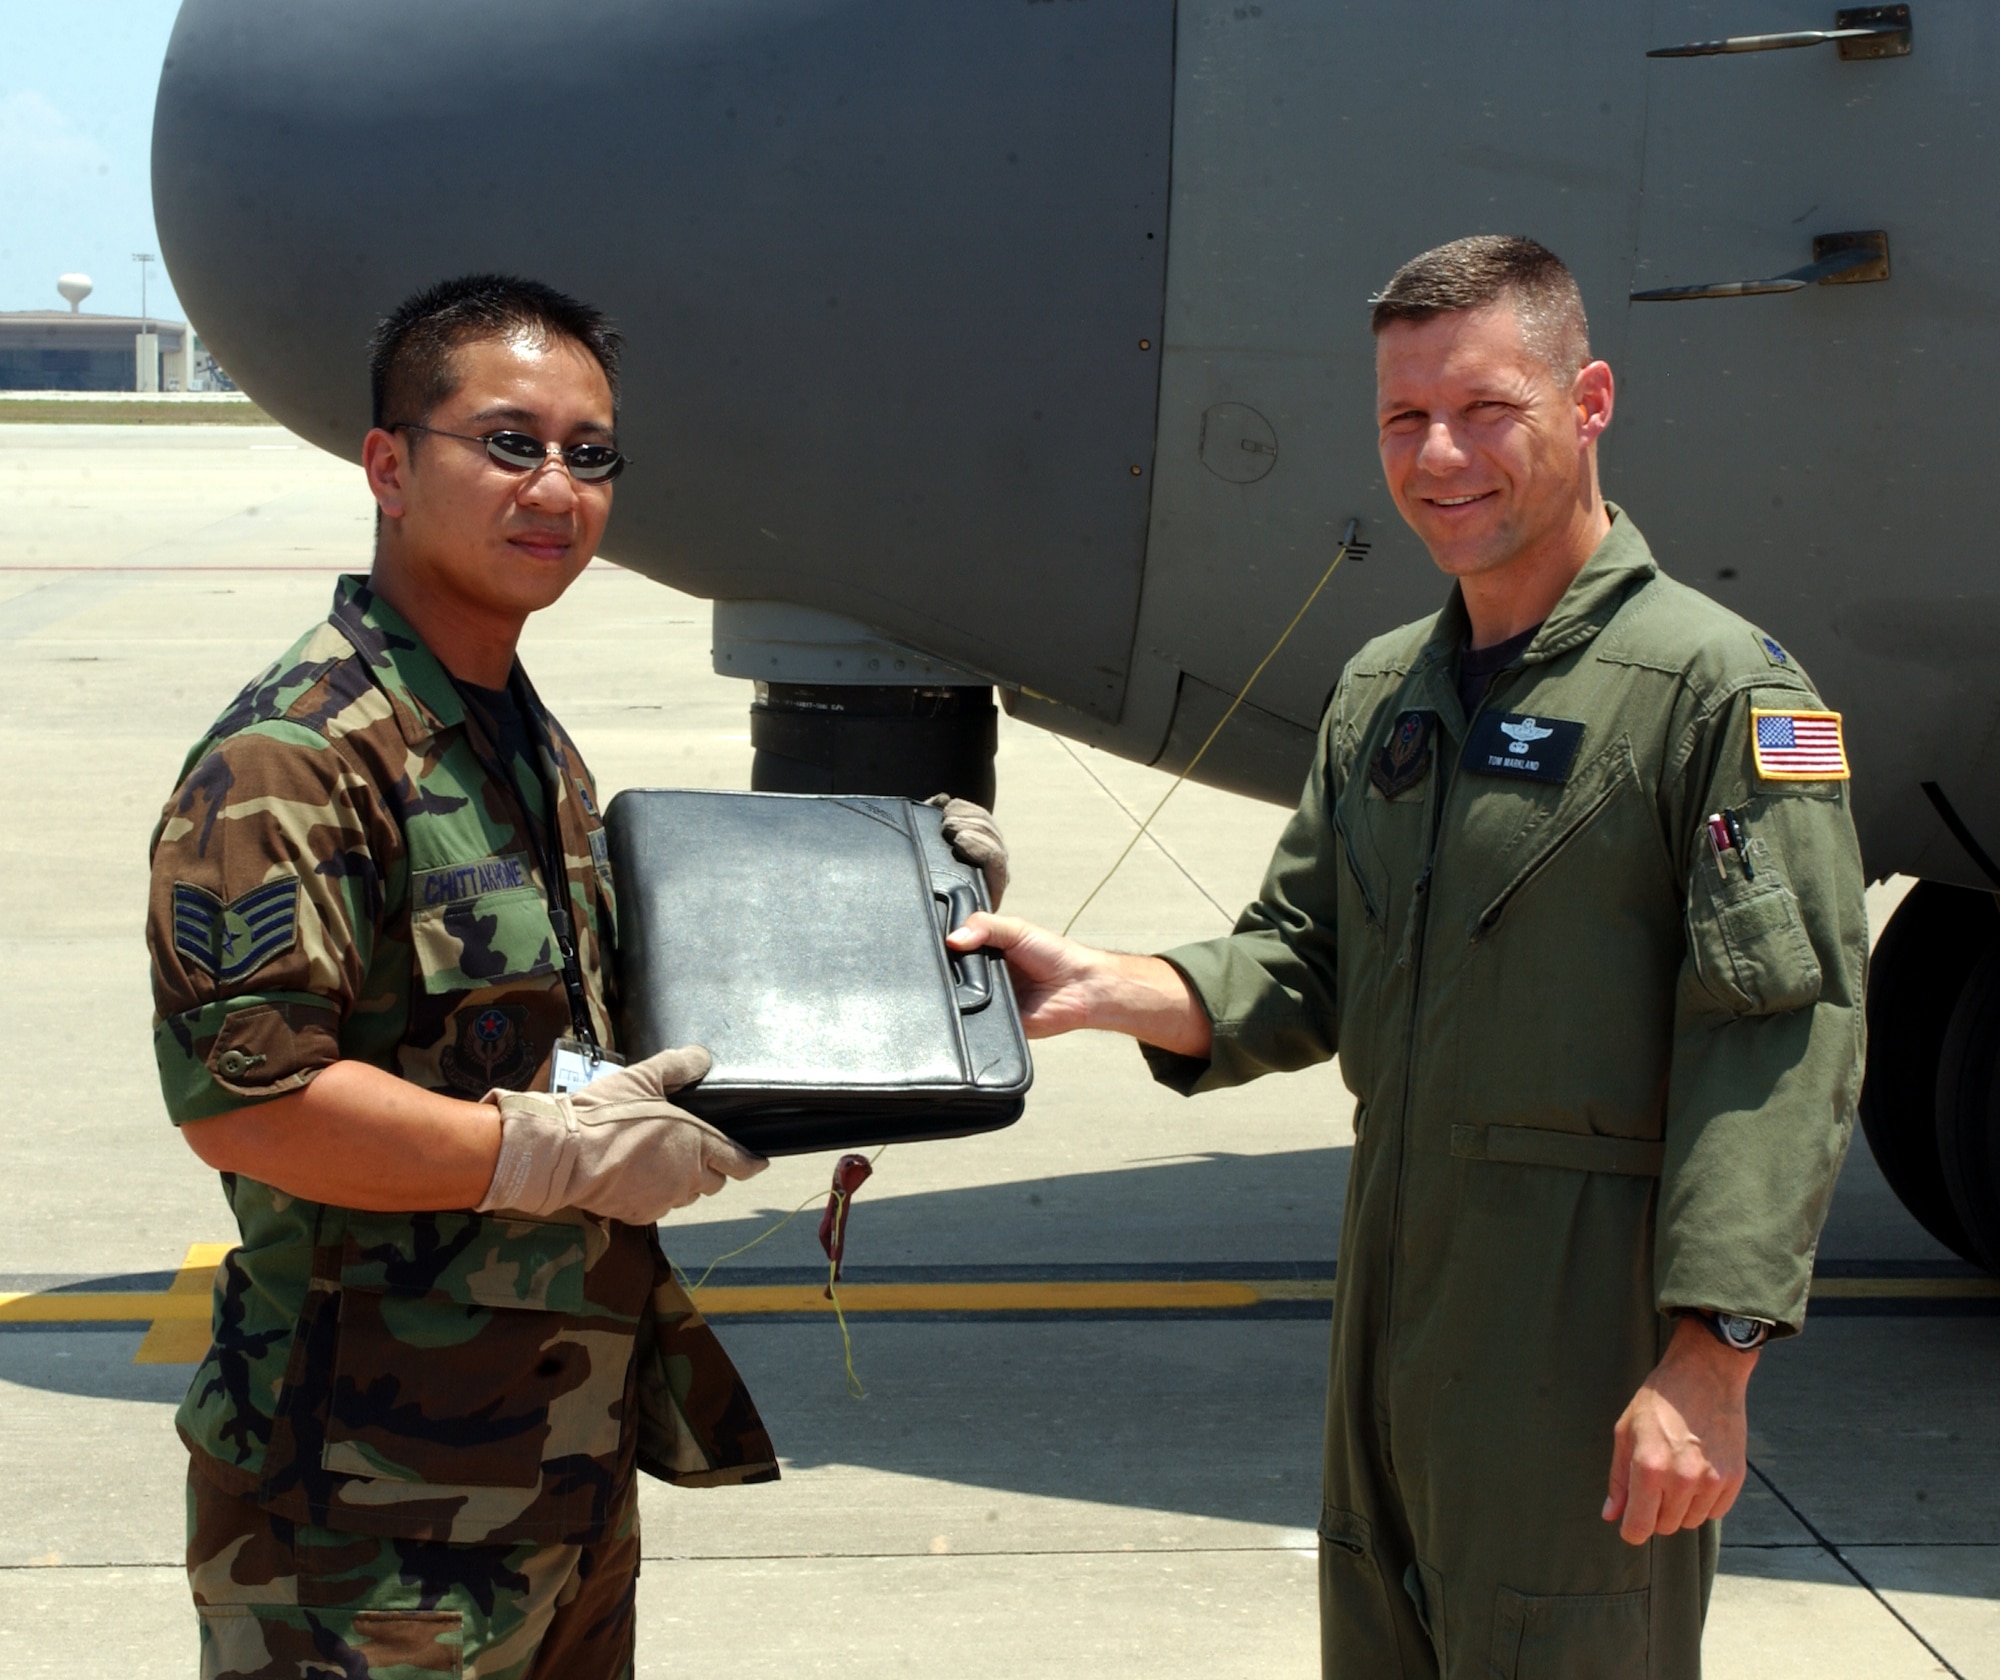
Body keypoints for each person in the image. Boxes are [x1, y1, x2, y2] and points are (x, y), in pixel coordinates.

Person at [952, 235, 1867, 1678]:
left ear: (1590, 402)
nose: (1440, 455)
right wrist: (1106, 986)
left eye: (1486, 408)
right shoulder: (1386, 689)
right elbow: (1308, 956)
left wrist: (1710, 1360)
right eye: (1404, 417)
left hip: (1579, 1334)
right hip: (1391, 1320)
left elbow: (1777, 1040)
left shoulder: (1720, 694)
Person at [148, 275, 780, 1679]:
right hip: (359, 1527)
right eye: (508, 443)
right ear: (389, 466)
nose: (555, 487)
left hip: (554, 1477)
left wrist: (888, 907)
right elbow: (249, 1105)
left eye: (589, 454)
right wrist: (546, 1156)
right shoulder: (296, 759)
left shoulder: (515, 740)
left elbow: (579, 1017)